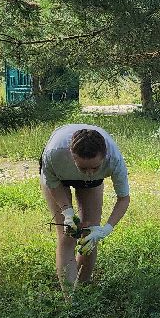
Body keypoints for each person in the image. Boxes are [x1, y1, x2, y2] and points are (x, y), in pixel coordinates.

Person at [39, 124, 130, 289]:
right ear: (72, 156)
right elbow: (52, 185)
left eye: (95, 167)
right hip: (59, 178)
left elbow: (123, 198)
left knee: (89, 235)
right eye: (83, 168)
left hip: (92, 184)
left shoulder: (114, 159)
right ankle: (71, 303)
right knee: (67, 236)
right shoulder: (54, 154)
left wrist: (105, 229)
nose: (89, 173)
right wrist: (67, 213)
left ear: (104, 157)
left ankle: (82, 291)